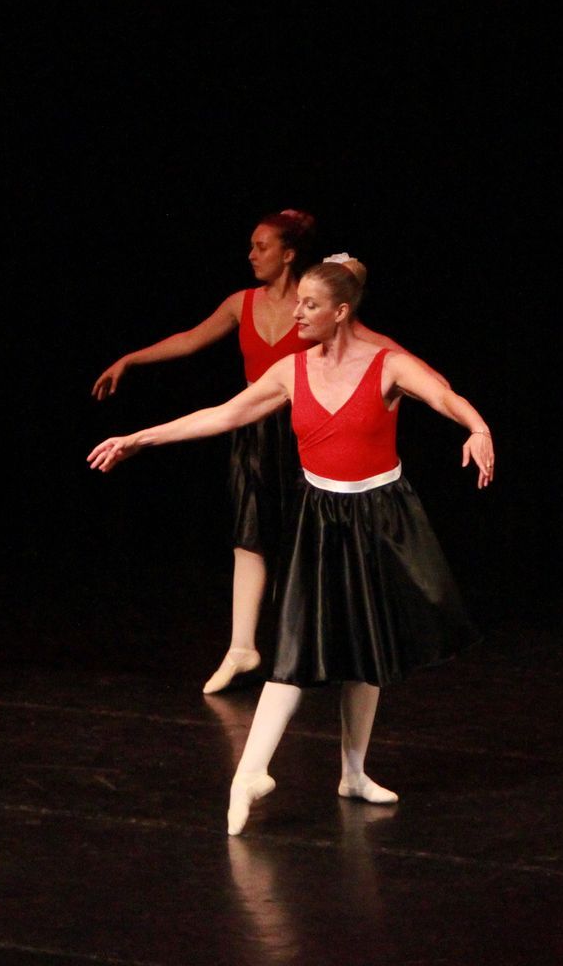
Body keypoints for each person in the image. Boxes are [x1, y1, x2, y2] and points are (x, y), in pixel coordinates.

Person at [90, 256, 491, 834]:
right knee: (294, 647)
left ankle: (353, 772)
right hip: (321, 518)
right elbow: (223, 415)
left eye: (308, 305)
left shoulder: (386, 365)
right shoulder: (289, 372)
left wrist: (477, 429)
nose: (296, 313)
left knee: (368, 652)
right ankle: (250, 771)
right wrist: (141, 438)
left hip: (380, 517)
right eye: (297, 300)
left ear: (340, 311)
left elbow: (444, 396)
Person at [93, 211, 432, 695]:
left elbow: (383, 352)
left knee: (307, 538)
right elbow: (190, 340)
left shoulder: (318, 303)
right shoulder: (242, 302)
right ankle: (242, 646)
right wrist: (131, 358)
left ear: (288, 253)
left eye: (261, 246)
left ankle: (321, 643)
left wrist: (438, 395)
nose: (251, 255)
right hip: (253, 424)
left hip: (308, 428)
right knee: (249, 532)